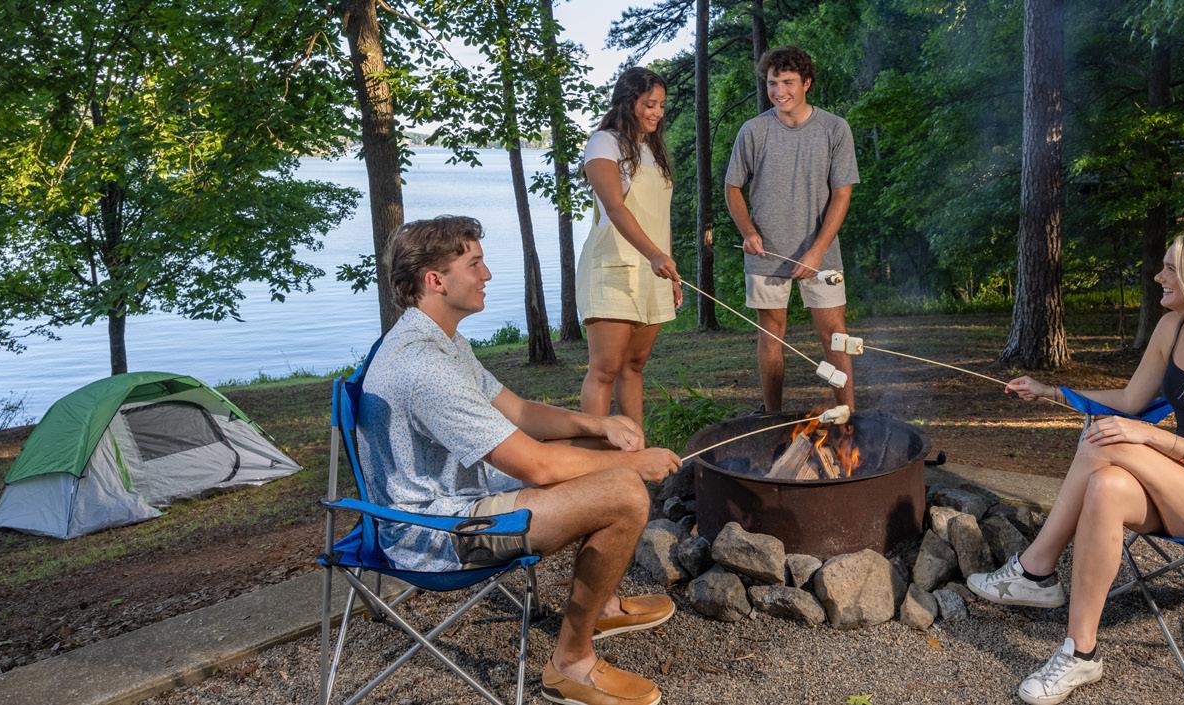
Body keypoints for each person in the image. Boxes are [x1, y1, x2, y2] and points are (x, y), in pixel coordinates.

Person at [359, 216, 680, 705]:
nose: (487, 274)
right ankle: (570, 666)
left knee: (606, 453)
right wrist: (634, 466)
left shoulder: (442, 341)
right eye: (475, 264)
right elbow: (537, 467)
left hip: (464, 495)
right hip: (435, 531)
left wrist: (599, 426)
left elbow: (521, 411)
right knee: (624, 493)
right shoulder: (423, 366)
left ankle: (604, 606)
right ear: (435, 280)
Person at [967, 229, 1184, 705]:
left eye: (1171, 269)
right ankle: (1080, 652)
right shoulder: (1174, 327)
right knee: (1107, 485)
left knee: (1108, 438)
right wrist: (1052, 391)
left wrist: (1150, 436)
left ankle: (1036, 570)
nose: (1158, 276)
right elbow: (1130, 400)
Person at [725, 45, 859, 411]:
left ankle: (847, 417)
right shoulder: (753, 131)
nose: (779, 91)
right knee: (771, 336)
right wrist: (747, 231)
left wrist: (816, 251)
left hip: (822, 253)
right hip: (766, 254)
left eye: (788, 82)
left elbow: (842, 195)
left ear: (807, 83)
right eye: (772, 83)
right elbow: (732, 188)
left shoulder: (834, 128)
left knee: (835, 336)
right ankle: (772, 416)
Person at [577, 66, 682, 428]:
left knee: (634, 366)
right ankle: (591, 450)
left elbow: (659, 219)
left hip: (652, 271)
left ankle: (634, 447)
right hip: (613, 267)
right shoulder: (603, 142)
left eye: (661, 105)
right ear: (628, 101)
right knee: (605, 368)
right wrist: (654, 254)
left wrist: (669, 268)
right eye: (650, 104)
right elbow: (615, 207)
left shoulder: (652, 150)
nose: (658, 112)